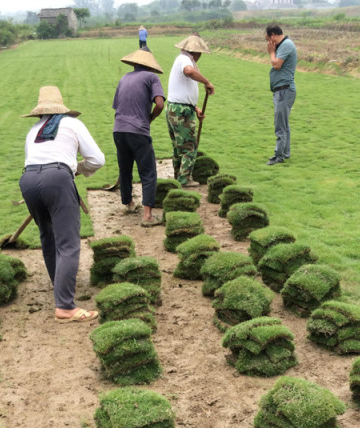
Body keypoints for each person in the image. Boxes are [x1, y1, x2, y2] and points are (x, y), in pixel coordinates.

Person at [19, 86, 105, 324]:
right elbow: (97, 159)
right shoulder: (73, 124)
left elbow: (33, 161)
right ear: (62, 109)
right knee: (68, 243)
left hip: (28, 180)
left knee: (48, 236)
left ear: (39, 114)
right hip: (57, 179)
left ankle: (59, 287)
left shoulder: (33, 131)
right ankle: (65, 306)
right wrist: (76, 169)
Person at [113, 48, 165, 227]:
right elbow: (159, 104)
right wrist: (150, 117)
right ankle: (148, 216)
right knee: (148, 172)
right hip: (138, 130)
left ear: (134, 63)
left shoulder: (124, 78)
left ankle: (128, 204)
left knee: (125, 168)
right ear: (150, 65)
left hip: (118, 129)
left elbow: (118, 105)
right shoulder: (152, 78)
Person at [166, 33, 214, 187]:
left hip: (177, 108)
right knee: (189, 147)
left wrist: (195, 108)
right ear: (196, 51)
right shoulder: (185, 60)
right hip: (181, 111)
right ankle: (185, 179)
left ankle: (178, 176)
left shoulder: (182, 59)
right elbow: (188, 71)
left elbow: (183, 88)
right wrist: (207, 82)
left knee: (178, 147)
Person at [265, 24, 297, 166]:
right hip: (282, 90)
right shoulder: (284, 45)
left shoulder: (286, 45)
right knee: (283, 124)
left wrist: (271, 52)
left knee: (280, 126)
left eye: (268, 39)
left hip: (284, 91)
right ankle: (285, 153)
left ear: (273, 35)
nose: (268, 43)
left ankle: (279, 156)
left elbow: (276, 64)